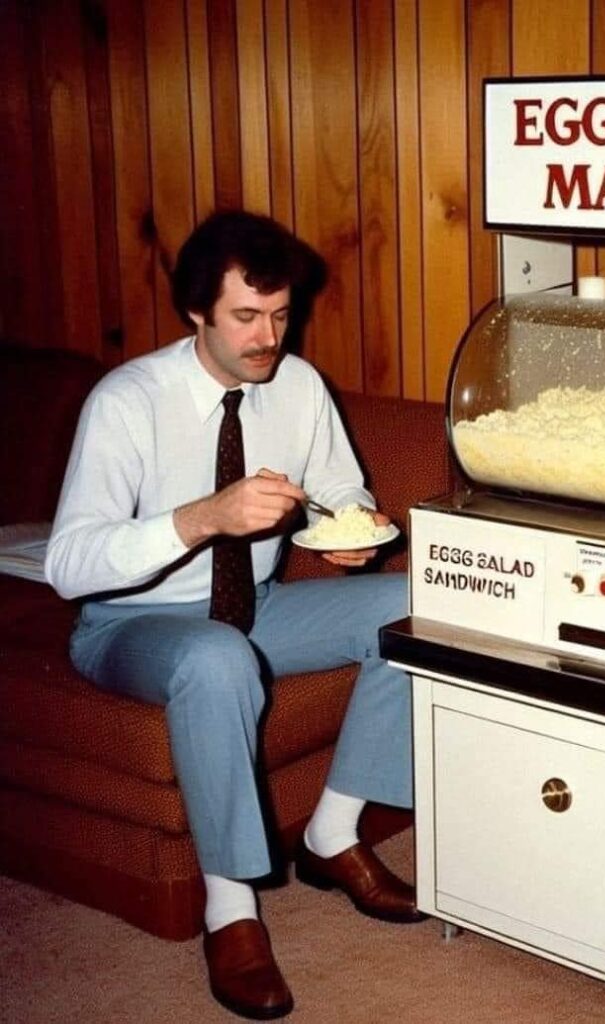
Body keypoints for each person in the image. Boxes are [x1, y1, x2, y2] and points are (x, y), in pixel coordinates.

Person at [44, 210, 423, 1021]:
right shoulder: (128, 400)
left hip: (257, 605)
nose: (269, 338)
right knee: (215, 656)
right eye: (246, 317)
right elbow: (68, 565)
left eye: (281, 315)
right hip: (131, 624)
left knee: (414, 610)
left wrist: (347, 530)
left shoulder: (297, 385)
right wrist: (203, 518)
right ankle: (232, 909)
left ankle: (333, 831)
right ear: (196, 312)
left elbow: (340, 486)